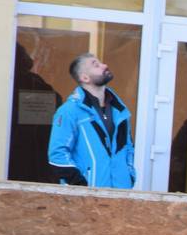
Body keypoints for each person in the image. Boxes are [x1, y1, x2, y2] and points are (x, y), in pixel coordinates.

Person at [48, 53, 135, 189]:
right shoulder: (69, 111)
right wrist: (80, 186)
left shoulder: (120, 110)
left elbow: (128, 148)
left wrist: (130, 175)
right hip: (86, 197)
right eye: (96, 64)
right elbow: (57, 155)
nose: (104, 65)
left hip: (121, 193)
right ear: (85, 77)